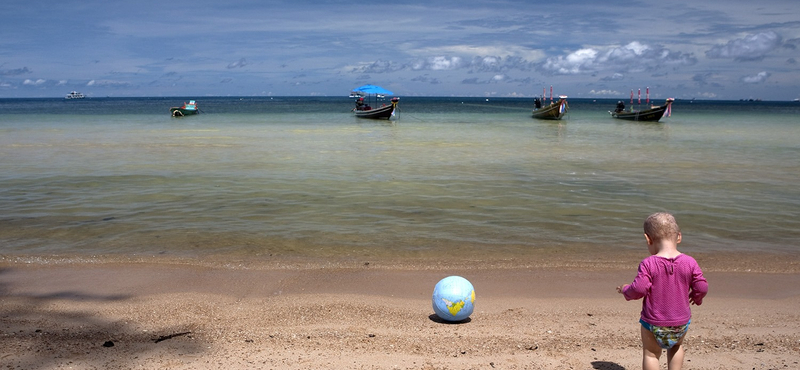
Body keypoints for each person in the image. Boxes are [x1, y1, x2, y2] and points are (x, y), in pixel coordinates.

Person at [617, 212, 708, 370]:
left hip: (653, 323)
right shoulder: (690, 262)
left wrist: (626, 290)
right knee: (676, 348)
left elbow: (639, 288)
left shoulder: (648, 263)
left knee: (651, 353)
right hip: (681, 322)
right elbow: (702, 286)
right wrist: (697, 297)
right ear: (679, 237)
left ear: (648, 239)